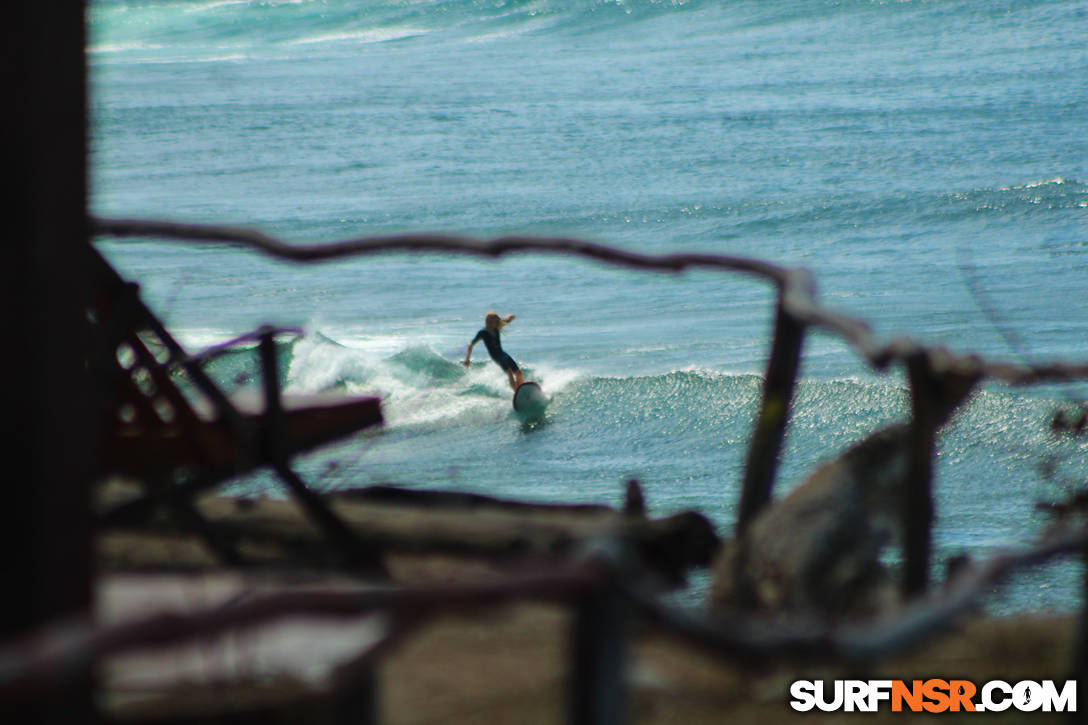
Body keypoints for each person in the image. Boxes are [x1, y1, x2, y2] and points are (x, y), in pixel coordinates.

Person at [463, 311, 524, 390]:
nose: (494, 323)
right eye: (492, 321)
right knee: (509, 372)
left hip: (502, 353)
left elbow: (506, 320)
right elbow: (470, 344)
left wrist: (511, 317)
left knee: (519, 373)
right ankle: (516, 390)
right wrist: (467, 359)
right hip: (496, 356)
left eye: (496, 320)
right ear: (488, 321)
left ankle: (522, 387)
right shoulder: (483, 332)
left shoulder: (496, 328)